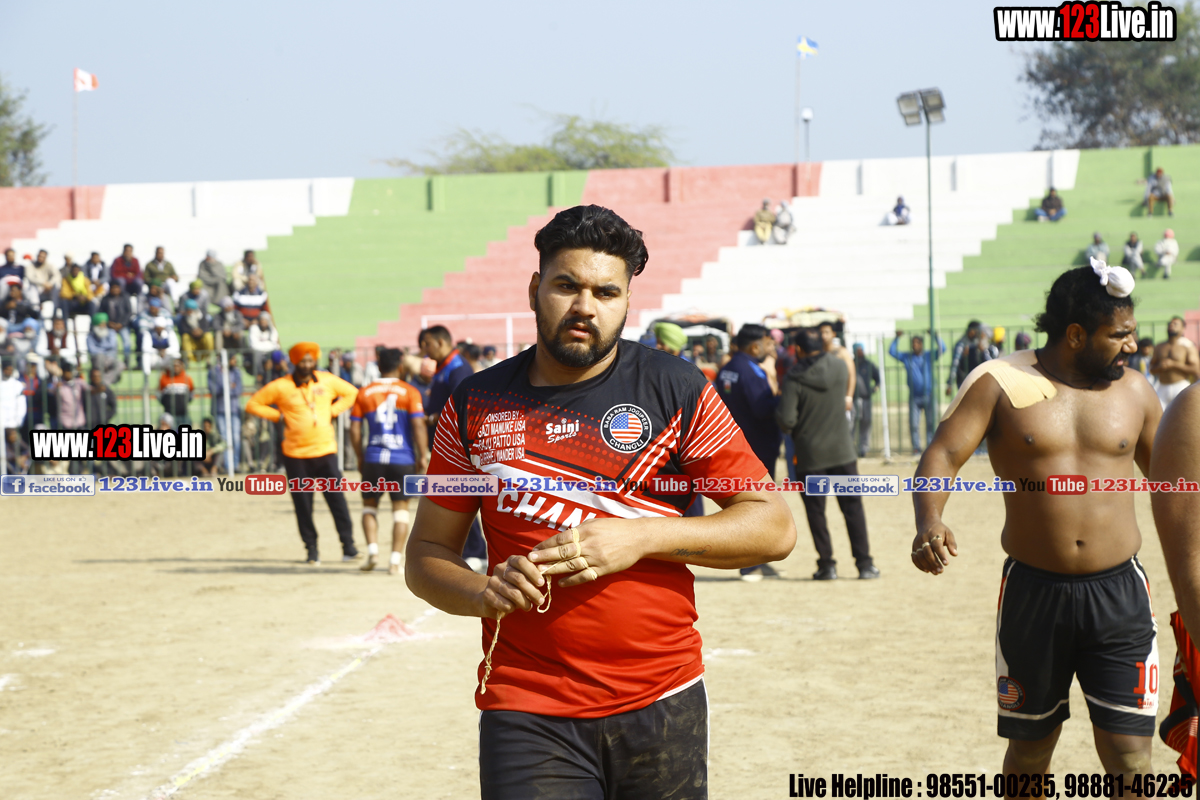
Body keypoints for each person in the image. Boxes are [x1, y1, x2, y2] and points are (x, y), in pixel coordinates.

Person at [405, 204, 796, 798]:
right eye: (566, 286)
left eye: (606, 292)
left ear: (627, 301)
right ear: (535, 290)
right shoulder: (474, 402)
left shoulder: (675, 387)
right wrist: (481, 592)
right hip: (526, 705)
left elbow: (773, 527)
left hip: (663, 697)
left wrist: (642, 535)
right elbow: (426, 554)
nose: (585, 307)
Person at [910, 262, 1161, 777]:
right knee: (1030, 754)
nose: (1132, 346)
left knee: (1131, 758)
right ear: (1076, 335)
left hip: (1120, 596)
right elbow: (943, 454)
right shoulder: (999, 383)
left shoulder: (1136, 392)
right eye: (1119, 335)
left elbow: (1176, 483)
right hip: (1033, 595)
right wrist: (930, 519)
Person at [245, 342, 359, 565]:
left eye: (310, 360)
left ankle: (349, 547)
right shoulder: (281, 386)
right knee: (303, 505)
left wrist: (333, 411)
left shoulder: (326, 380)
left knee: (337, 501)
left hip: (325, 451)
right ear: (295, 362)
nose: (307, 365)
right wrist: (277, 416)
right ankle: (312, 550)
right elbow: (253, 404)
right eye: (303, 361)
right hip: (295, 455)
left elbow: (352, 393)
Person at [777, 329, 877, 582]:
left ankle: (827, 565)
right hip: (843, 451)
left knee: (816, 513)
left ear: (799, 350)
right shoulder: (839, 366)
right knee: (853, 509)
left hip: (810, 455)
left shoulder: (793, 378)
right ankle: (865, 564)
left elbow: (787, 420)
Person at [350, 347, 428, 575]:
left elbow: (354, 429)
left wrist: (359, 456)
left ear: (378, 366)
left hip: (374, 457)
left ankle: (372, 552)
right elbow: (418, 425)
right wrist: (422, 456)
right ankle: (394, 561)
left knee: (369, 507)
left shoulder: (364, 392)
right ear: (400, 366)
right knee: (401, 511)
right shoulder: (410, 391)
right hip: (402, 458)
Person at [716, 323, 783, 581]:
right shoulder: (749, 370)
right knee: (756, 506)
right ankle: (749, 565)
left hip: (740, 444)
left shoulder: (729, 368)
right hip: (756, 445)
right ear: (755, 346)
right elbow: (762, 408)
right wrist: (783, 396)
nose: (770, 347)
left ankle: (759, 560)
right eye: (767, 343)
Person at [889, 330, 946, 454]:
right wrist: (897, 338)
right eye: (913, 343)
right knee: (914, 424)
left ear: (921, 344)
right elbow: (892, 352)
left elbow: (943, 349)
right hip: (914, 396)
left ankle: (930, 447)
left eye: (917, 343)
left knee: (931, 423)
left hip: (929, 395)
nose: (915, 345)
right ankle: (916, 447)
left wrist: (935, 336)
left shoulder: (928, 356)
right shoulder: (907, 357)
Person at [1150, 315, 1199, 409]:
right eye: (1170, 323)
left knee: (1182, 415)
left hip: (1180, 386)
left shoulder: (1188, 346)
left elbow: (1196, 369)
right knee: (1158, 415)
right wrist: (1160, 366)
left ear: (1183, 329)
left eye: (1175, 324)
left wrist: (1174, 364)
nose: (1171, 325)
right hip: (1162, 387)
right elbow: (1151, 369)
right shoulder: (1159, 346)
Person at [208, 353, 244, 474]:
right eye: (233, 358)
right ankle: (228, 466)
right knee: (224, 438)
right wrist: (228, 386)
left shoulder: (236, 372)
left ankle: (235, 464)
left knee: (236, 438)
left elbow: (238, 389)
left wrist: (225, 389)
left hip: (234, 409)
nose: (235, 361)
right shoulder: (213, 372)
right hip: (219, 409)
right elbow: (213, 389)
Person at [816, 321, 855, 414]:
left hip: (840, 398)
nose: (823, 336)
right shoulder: (816, 354)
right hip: (822, 400)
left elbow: (852, 375)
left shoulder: (842, 352)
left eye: (826, 332)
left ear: (833, 334)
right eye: (821, 333)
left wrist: (849, 397)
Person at [851, 342, 880, 458]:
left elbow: (878, 378)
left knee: (866, 423)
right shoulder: (850, 364)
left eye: (861, 350)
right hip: (853, 399)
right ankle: (850, 449)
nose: (860, 352)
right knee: (851, 424)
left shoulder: (869, 364)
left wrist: (875, 388)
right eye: (857, 350)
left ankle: (863, 448)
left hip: (866, 398)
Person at [99, 281, 135, 364]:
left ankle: (126, 362)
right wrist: (108, 323)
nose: (115, 290)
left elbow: (129, 312)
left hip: (123, 325)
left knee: (127, 342)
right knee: (112, 343)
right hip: (110, 326)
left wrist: (122, 324)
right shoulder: (105, 299)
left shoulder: (125, 297)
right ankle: (112, 363)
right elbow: (101, 313)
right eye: (113, 288)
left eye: (117, 288)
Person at [86, 313, 124, 385]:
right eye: (101, 324)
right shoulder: (90, 336)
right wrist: (105, 350)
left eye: (104, 324)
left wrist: (100, 348)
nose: (103, 326)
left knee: (120, 365)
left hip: (110, 358)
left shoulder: (111, 332)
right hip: (97, 359)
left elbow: (112, 345)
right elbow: (92, 350)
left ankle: (104, 383)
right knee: (99, 357)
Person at [947, 321, 983, 394]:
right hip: (964, 380)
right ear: (972, 331)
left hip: (975, 379)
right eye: (977, 331)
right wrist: (950, 383)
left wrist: (982, 351)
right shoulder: (961, 344)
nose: (979, 333)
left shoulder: (977, 343)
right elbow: (955, 363)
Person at [159, 358, 194, 428]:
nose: (176, 368)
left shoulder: (187, 378)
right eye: (174, 366)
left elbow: (191, 394)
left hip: (183, 413)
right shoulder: (164, 378)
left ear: (182, 366)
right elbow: (159, 394)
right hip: (169, 414)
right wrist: (166, 403)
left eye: (177, 366)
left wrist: (184, 403)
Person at [178, 298, 215, 364]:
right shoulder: (183, 319)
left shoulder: (202, 317)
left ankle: (208, 358)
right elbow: (182, 330)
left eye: (190, 310)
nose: (189, 312)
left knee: (208, 336)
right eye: (187, 310)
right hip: (191, 341)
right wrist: (192, 331)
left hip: (202, 342)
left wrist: (200, 331)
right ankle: (188, 360)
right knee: (185, 337)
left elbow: (206, 328)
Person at [54, 361, 88, 430]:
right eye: (67, 371)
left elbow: (90, 390)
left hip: (79, 421)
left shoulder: (79, 382)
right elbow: (51, 392)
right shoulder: (59, 385)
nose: (69, 373)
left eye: (70, 371)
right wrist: (56, 388)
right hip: (66, 423)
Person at [248, 311, 280, 380]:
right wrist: (268, 344)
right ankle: (259, 376)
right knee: (257, 354)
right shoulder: (254, 328)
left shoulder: (272, 329)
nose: (263, 322)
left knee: (278, 354)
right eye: (262, 320)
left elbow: (275, 345)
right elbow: (254, 345)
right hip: (258, 353)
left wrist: (262, 344)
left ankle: (279, 376)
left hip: (270, 352)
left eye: (265, 320)